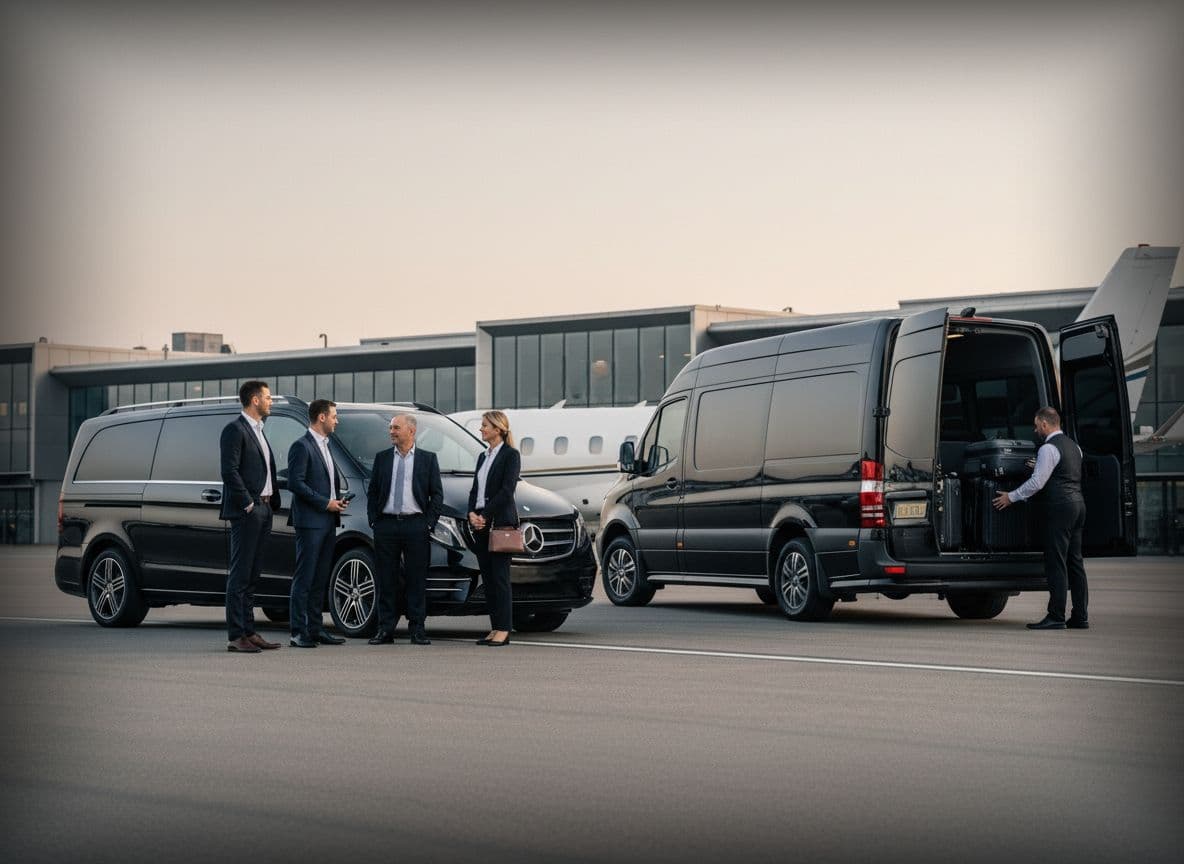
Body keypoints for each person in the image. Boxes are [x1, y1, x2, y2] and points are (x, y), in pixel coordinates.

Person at [993, 406, 1088, 630]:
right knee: (1075, 562)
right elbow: (1065, 472)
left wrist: (1011, 497)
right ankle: (1080, 616)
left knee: (1056, 562)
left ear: (1045, 424)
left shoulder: (1048, 449)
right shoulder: (1075, 447)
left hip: (1059, 508)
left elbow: (1037, 483)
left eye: (1037, 426)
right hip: (1078, 505)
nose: (1036, 430)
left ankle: (1055, 616)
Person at [366, 413, 443, 646]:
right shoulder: (382, 459)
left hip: (415, 525)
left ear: (411, 431)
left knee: (416, 579)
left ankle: (417, 629)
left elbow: (436, 494)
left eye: (396, 428)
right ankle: (385, 629)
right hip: (386, 525)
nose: (391, 432)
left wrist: (428, 522)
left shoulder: (427, 459)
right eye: (390, 428)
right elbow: (373, 492)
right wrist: (374, 521)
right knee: (386, 579)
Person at [219, 380, 283, 653]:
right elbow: (229, 471)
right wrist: (247, 503)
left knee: (253, 574)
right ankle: (236, 635)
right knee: (240, 574)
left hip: (265, 509)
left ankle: (249, 630)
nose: (271, 402)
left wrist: (267, 505)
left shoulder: (258, 430)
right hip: (249, 511)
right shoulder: (235, 430)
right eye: (268, 397)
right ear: (255, 400)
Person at [286, 399, 349, 648]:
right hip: (310, 522)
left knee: (320, 577)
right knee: (305, 577)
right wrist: (325, 503)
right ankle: (297, 631)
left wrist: (336, 503)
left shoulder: (326, 445)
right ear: (321, 417)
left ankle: (315, 628)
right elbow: (296, 483)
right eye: (334, 416)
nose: (337, 420)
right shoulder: (301, 446)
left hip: (327, 520)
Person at [467, 410, 521, 647]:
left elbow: (507, 491)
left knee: (500, 578)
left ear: (498, 429)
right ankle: (494, 626)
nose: (481, 429)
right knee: (488, 579)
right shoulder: (482, 456)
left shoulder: (510, 455)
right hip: (480, 524)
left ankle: (504, 629)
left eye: (485, 426)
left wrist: (485, 515)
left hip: (499, 523)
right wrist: (472, 514)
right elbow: (475, 490)